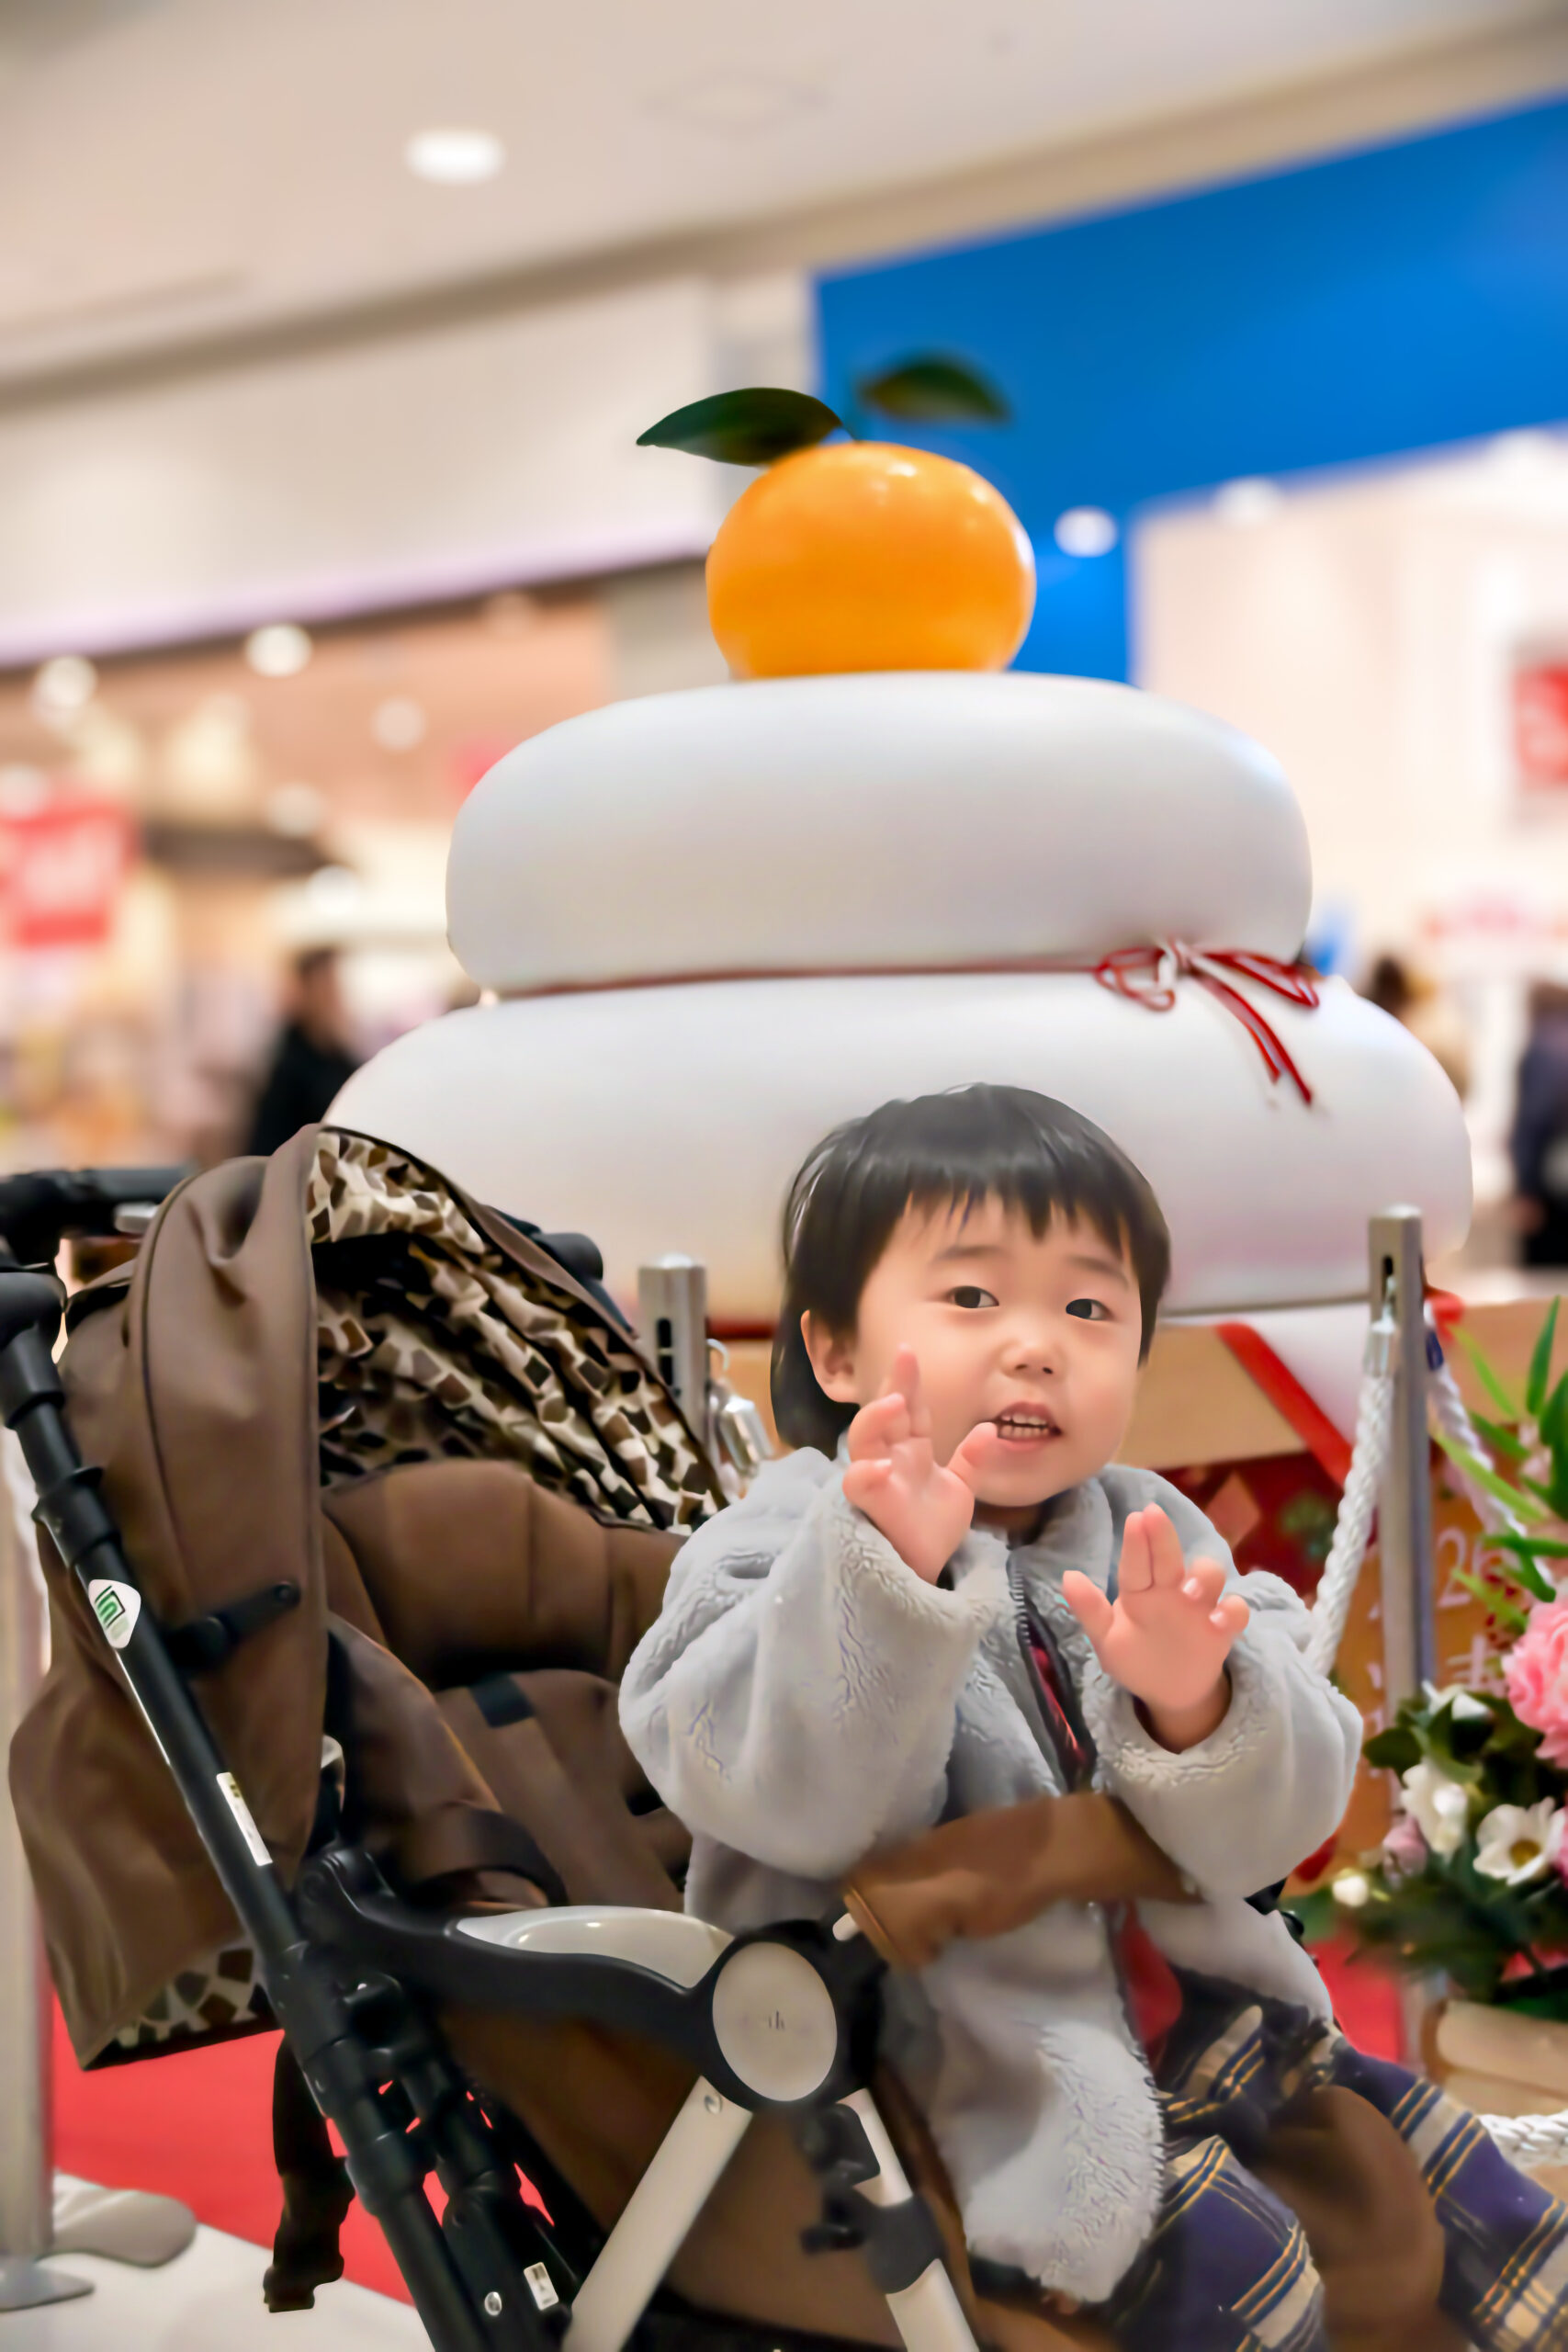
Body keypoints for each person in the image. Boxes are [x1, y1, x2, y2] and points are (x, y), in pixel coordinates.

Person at [620, 1084, 1567, 2350]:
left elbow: (1273, 1832)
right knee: (1257, 2284)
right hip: (962, 2097)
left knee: (1476, 2216)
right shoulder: (767, 1552)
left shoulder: (1152, 1532)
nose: (1036, 1345)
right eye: (971, 1296)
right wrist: (880, 1580)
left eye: (1088, 1308)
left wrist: (1197, 1703)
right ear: (836, 1353)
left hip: (1226, 2033)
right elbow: (790, 1800)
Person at [245, 947, 361, 1157]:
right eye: (325, 987)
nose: (333, 997)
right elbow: (267, 1146)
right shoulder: (289, 1067)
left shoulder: (340, 1056)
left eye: (335, 987)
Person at [1512, 981, 1568, 1269]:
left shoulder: (1541, 1049)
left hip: (1551, 1185)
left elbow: (1533, 1120)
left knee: (1545, 1276)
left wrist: (1526, 1188)